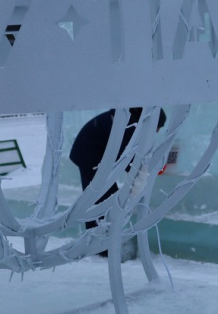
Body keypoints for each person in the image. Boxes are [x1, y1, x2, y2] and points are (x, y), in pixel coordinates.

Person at [69, 107, 168, 252]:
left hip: (90, 153)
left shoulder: (130, 118)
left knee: (97, 200)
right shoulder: (129, 124)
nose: (157, 131)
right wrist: (141, 174)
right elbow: (128, 155)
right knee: (105, 200)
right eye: (158, 126)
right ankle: (101, 246)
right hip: (90, 155)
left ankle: (97, 242)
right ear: (154, 122)